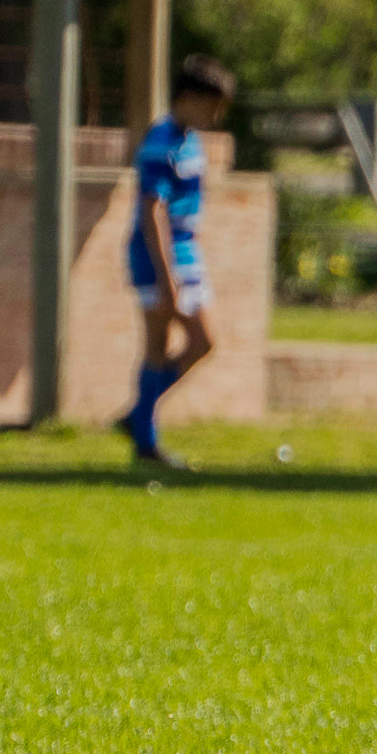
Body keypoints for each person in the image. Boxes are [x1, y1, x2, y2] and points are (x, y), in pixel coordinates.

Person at [118, 55, 236, 467]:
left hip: (186, 254)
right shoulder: (160, 142)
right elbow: (152, 212)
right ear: (187, 98)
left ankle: (137, 415)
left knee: (204, 341)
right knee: (156, 344)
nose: (216, 115)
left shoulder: (190, 141)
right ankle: (145, 442)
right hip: (157, 258)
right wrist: (166, 276)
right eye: (211, 104)